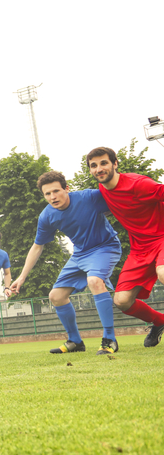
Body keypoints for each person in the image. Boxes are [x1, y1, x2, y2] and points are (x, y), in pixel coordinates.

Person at [8, 171, 120, 355]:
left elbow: (118, 199)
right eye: (47, 194)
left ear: (66, 188)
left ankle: (110, 339)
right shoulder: (46, 216)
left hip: (105, 247)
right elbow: (37, 246)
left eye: (56, 191)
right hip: (80, 254)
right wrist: (21, 277)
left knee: (94, 281)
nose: (53, 197)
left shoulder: (89, 197)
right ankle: (75, 341)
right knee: (56, 296)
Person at [87, 146, 164, 347]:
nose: (99, 169)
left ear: (115, 163)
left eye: (103, 163)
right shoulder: (103, 190)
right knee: (121, 301)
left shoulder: (139, 184)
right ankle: (160, 322)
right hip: (140, 249)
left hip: (162, 237)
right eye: (93, 166)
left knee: (163, 272)